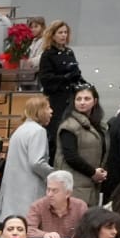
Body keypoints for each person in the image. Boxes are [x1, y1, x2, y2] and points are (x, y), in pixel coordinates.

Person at [0, 97, 53, 224]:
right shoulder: (39, 131)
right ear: (40, 110)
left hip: (14, 194)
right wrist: (54, 174)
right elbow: (36, 162)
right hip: (29, 193)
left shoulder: (19, 130)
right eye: (48, 107)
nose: (51, 111)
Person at [54, 84, 107, 207]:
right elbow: (70, 156)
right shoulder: (69, 125)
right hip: (74, 185)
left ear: (95, 101)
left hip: (91, 185)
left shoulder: (99, 126)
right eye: (78, 99)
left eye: (87, 99)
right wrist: (93, 172)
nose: (82, 102)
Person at [37, 21, 84, 154]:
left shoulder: (69, 52)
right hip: (56, 98)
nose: (63, 35)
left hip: (71, 96)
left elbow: (76, 73)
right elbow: (45, 79)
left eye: (65, 32)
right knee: (56, 131)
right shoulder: (48, 54)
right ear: (53, 35)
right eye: (60, 32)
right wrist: (64, 78)